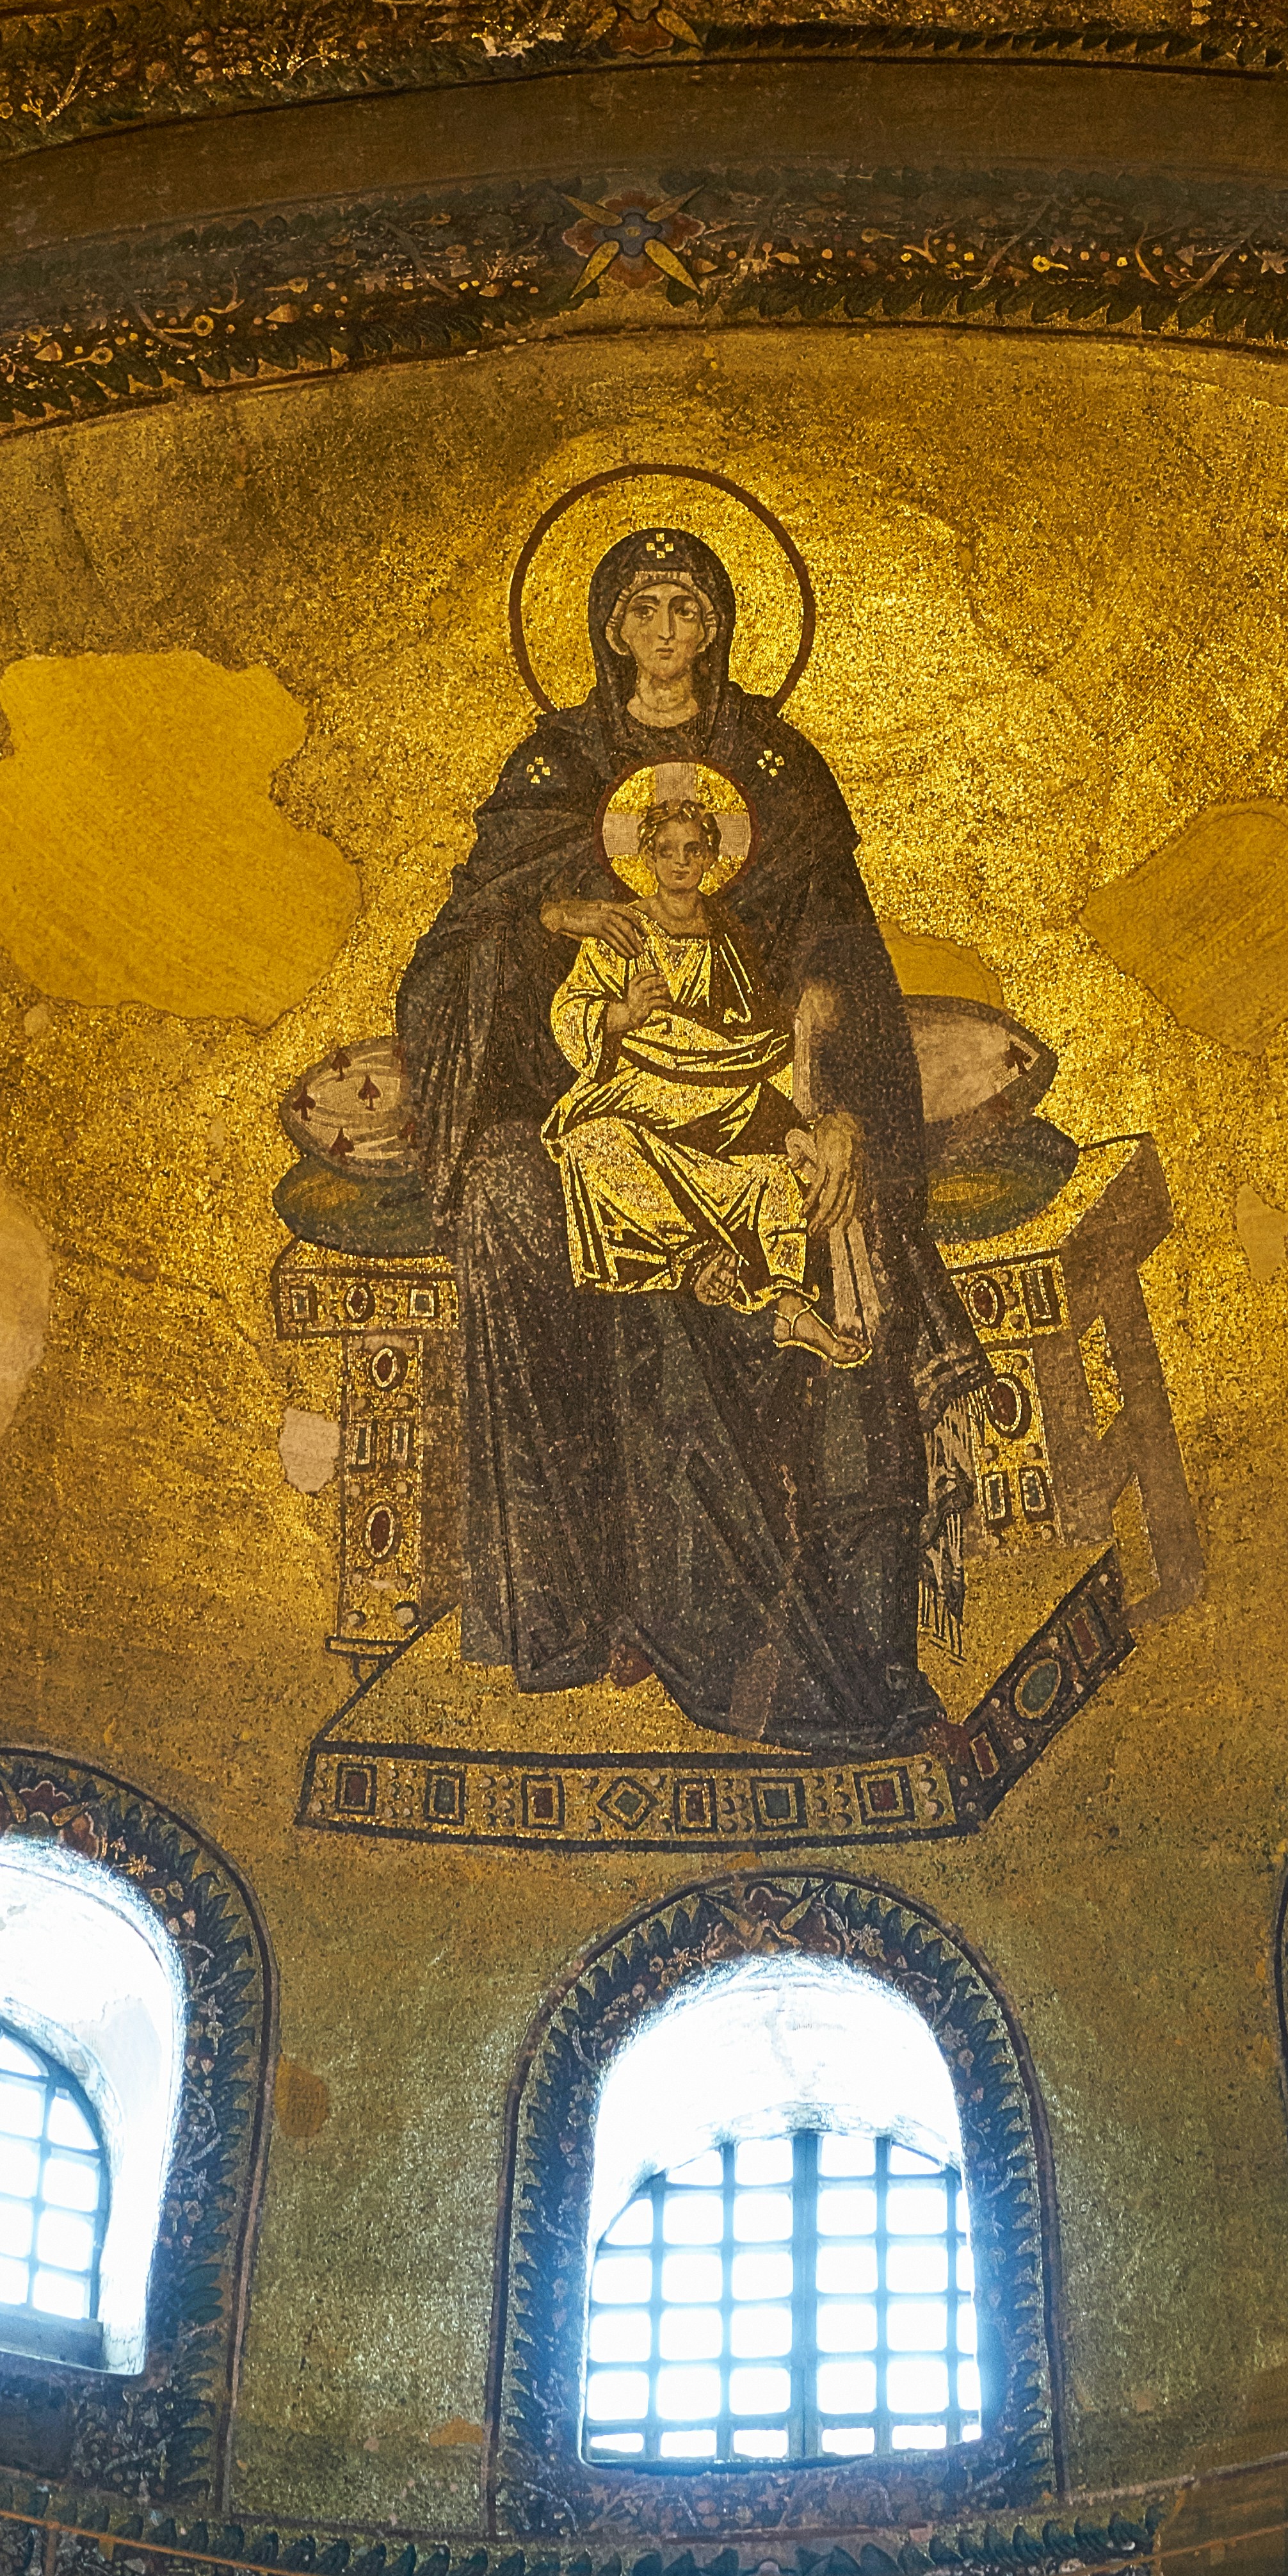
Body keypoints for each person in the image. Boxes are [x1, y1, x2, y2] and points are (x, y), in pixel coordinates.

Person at [390, 525, 987, 1753]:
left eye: (687, 609)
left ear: (716, 627)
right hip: (599, 1102)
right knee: (515, 1198)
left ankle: (864, 1645)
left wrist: (834, 1096)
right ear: (610, 628)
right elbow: (454, 964)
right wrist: (554, 917)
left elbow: (838, 954)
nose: (666, 632)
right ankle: (582, 1602)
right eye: (644, 609)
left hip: (760, 1094)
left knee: (840, 1233)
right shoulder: (553, 769)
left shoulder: (775, 767)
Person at [537, 775, 874, 1370]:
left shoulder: (726, 938)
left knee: (774, 1174)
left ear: (712, 859)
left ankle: (790, 1307)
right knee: (594, 1143)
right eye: (666, 850)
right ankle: (696, 1258)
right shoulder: (622, 930)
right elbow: (568, 1011)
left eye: (693, 850)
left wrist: (787, 1093)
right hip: (638, 1084)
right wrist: (623, 1015)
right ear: (646, 858)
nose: (680, 862)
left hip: (717, 1084)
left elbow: (754, 1034)